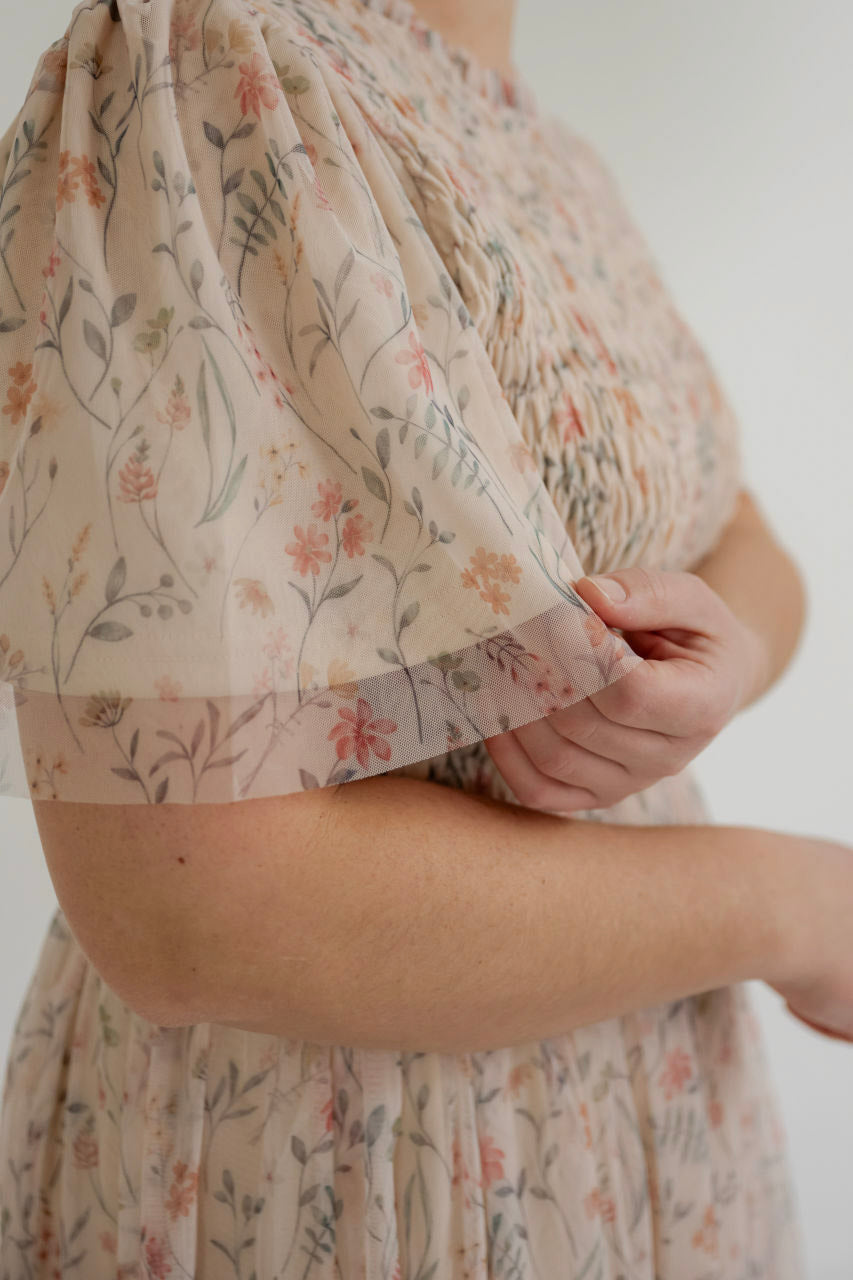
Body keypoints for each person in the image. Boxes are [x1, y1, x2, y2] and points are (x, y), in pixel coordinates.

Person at [0, 0, 849, 1275]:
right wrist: (799, 904)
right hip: (353, 1161)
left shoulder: (554, 152)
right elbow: (193, 912)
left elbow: (735, 532)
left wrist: (719, 666)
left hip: (637, 1123)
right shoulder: (210, 67)